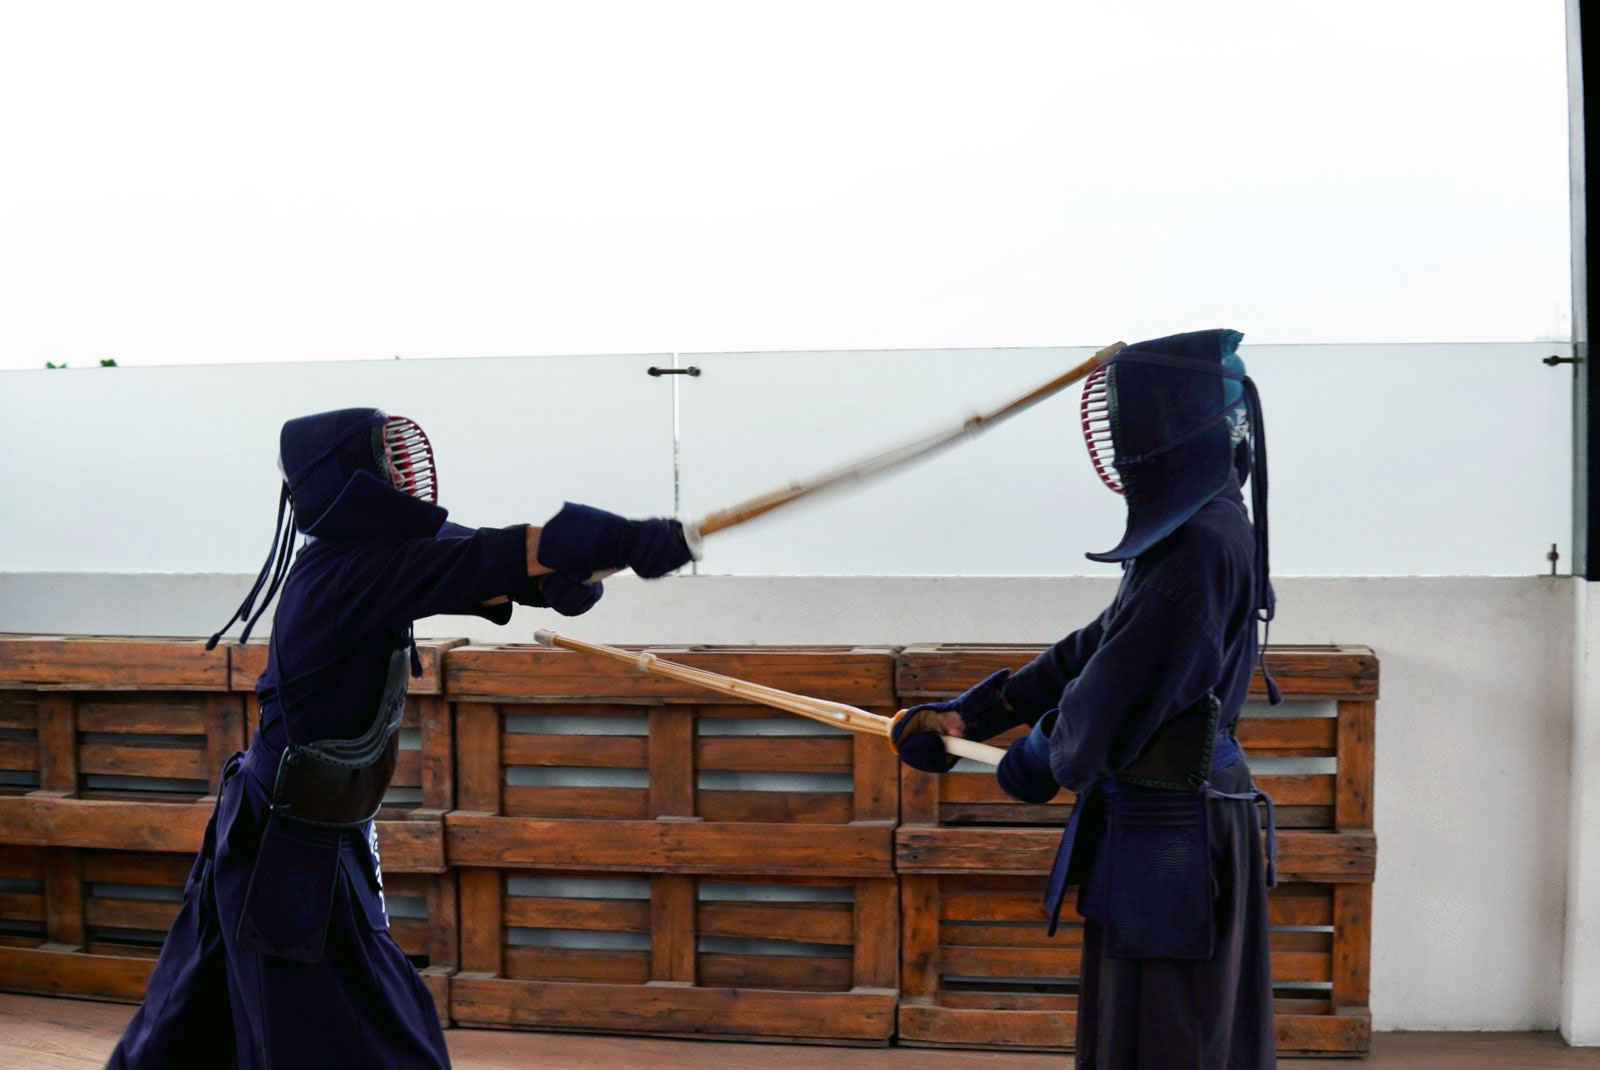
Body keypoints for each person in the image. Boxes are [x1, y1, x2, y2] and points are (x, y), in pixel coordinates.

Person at [109, 407, 695, 1069]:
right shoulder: (344, 575)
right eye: (385, 460)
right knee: (324, 1027)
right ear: (348, 476)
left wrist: (587, 563)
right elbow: (480, 557)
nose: (401, 473)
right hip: (282, 844)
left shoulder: (369, 563)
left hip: (307, 831)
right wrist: (617, 540)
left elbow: (482, 558)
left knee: (215, 1017)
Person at [891, 329, 1281, 1070]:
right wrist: (970, 716)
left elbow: (1102, 708)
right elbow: (1097, 648)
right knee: (1151, 1034)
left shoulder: (1199, 547)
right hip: (1172, 822)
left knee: (1172, 1043)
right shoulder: (1200, 530)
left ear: (1164, 425)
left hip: (1178, 836)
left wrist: (1037, 759)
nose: (1116, 442)